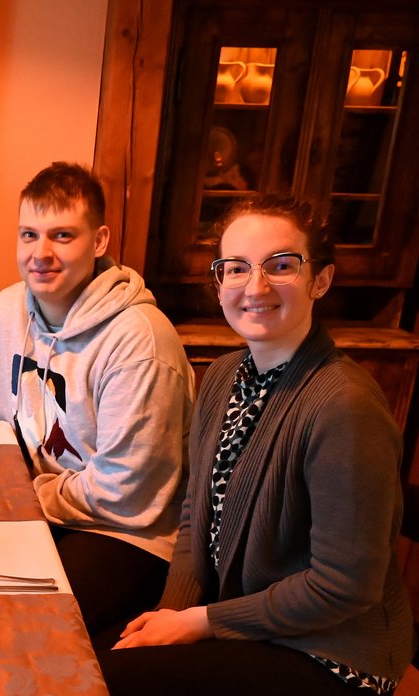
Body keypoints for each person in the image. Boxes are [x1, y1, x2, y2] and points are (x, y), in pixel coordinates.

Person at [99, 194, 412, 695]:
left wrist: (199, 623)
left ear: (321, 280)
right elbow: (193, 515)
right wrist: (172, 613)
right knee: (85, 655)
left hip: (330, 652)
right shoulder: (223, 376)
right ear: (220, 282)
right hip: (243, 623)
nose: (256, 286)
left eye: (281, 265)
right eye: (237, 268)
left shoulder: (345, 405)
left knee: (100, 684)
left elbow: (344, 587)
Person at [0, 162, 193, 638]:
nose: (40, 254)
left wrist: (24, 497)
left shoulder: (140, 341)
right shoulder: (3, 313)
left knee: (26, 628)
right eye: (29, 235)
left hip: (126, 533)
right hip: (37, 513)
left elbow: (125, 491)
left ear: (100, 240)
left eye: (62, 236)